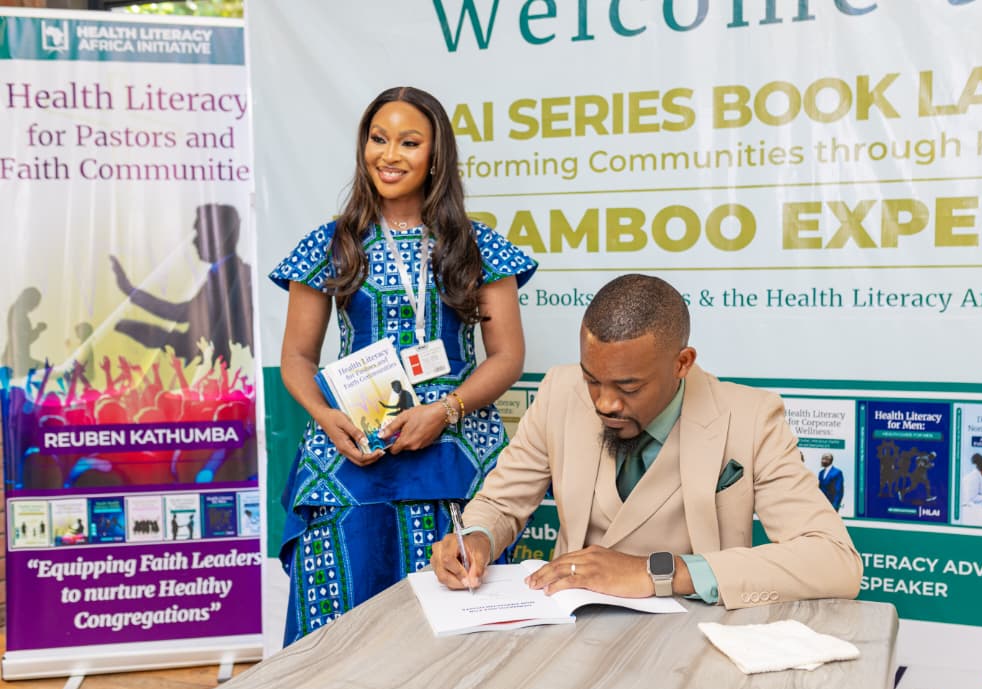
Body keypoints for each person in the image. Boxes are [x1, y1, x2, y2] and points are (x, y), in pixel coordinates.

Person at [270, 86, 537, 645]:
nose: (389, 155)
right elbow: (296, 357)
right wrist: (323, 415)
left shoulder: (478, 247)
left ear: (436, 154)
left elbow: (508, 356)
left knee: (458, 615)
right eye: (378, 138)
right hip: (353, 446)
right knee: (338, 608)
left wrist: (445, 410)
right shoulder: (332, 245)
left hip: (456, 446)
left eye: (409, 142)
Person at [433, 274, 860, 607]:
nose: (605, 402)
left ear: (681, 363)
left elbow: (834, 561)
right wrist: (476, 536)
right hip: (567, 634)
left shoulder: (750, 418)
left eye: (629, 387)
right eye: (592, 379)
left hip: (695, 642)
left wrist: (660, 572)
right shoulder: (559, 391)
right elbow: (501, 504)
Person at [110, 203, 254, 369]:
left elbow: (183, 316)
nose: (194, 241)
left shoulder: (234, 276)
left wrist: (130, 293)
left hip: (224, 371)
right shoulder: (222, 273)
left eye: (199, 233)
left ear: (218, 236)